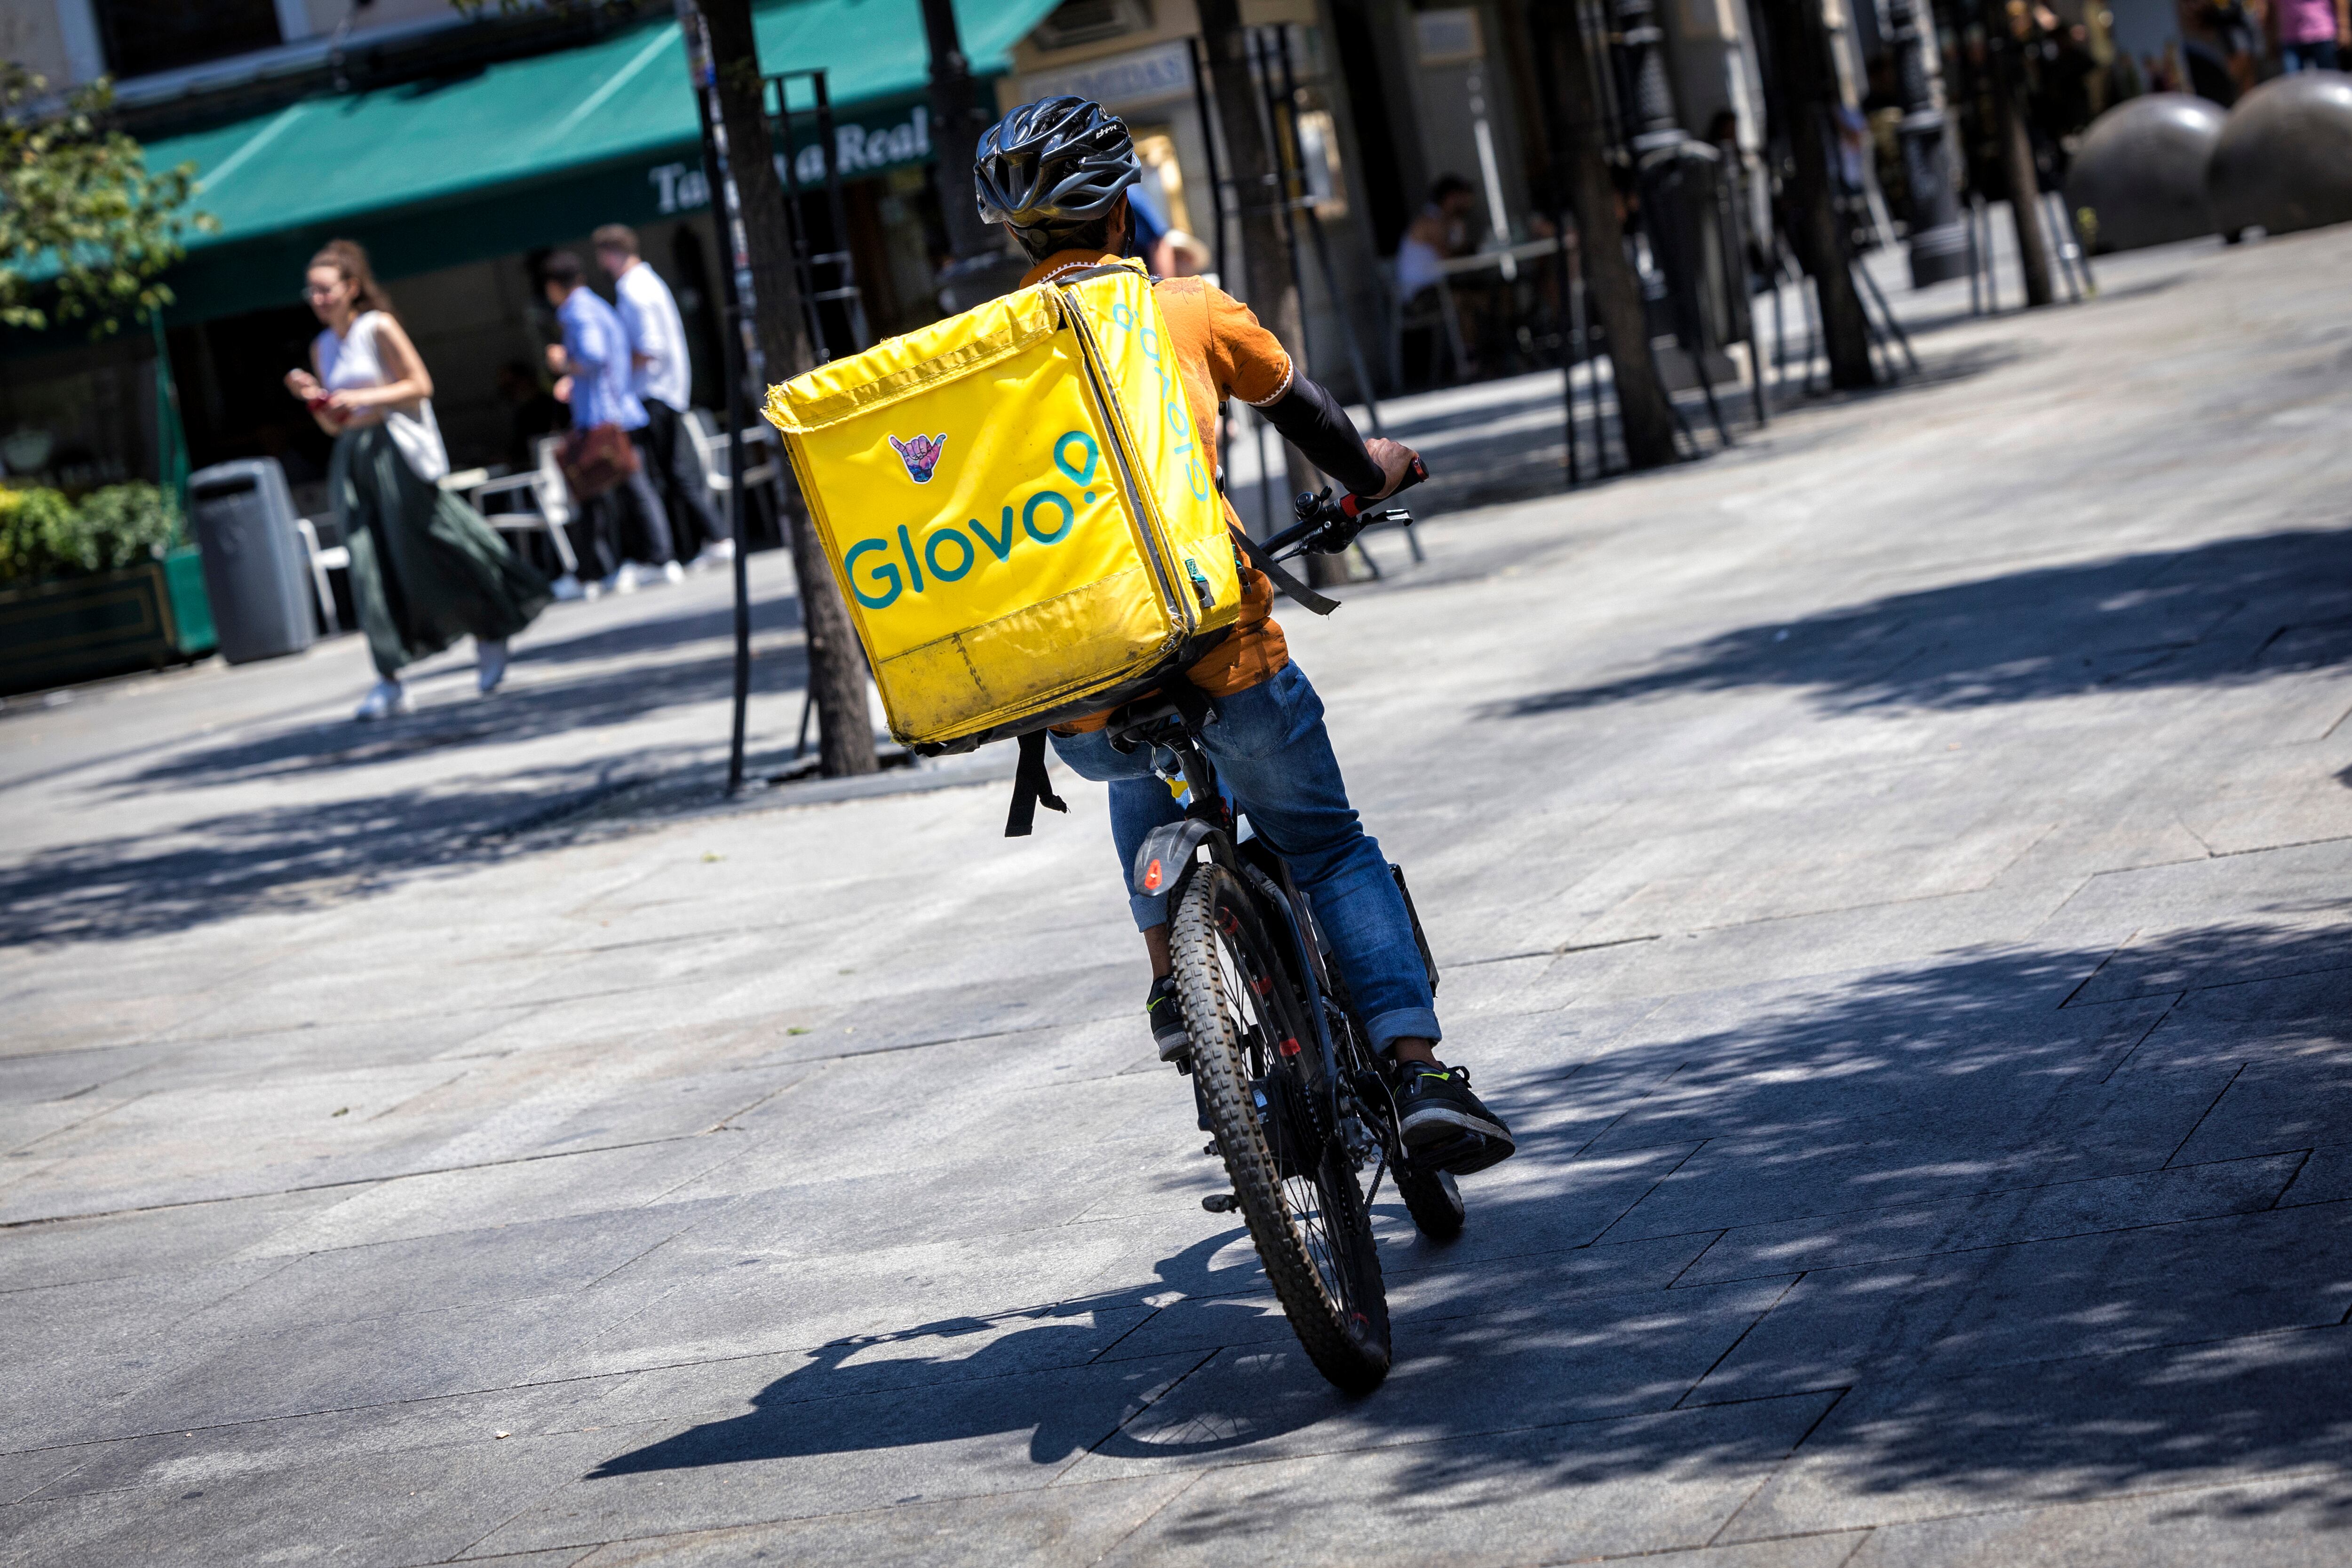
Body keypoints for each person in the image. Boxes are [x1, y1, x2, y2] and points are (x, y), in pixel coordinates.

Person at [972, 97, 1515, 1173]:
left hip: (1081, 694)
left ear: (1017, 241)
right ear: (1124, 216)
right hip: (1224, 652)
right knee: (1325, 845)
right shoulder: (1189, 311)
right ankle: (1416, 1074)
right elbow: (1315, 420)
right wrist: (1375, 475)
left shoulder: (982, 357)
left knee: (1136, 761)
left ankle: (1176, 989)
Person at [285, 240, 548, 721]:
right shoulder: (322, 347)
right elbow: (334, 424)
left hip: (396, 449)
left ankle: (491, 625)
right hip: (353, 456)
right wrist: (317, 401)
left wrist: (364, 395)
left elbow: (420, 385)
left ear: (351, 288)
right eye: (312, 292)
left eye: (325, 290)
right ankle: (389, 678)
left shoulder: (376, 327)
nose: (318, 300)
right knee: (368, 566)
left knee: (439, 541)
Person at [593, 225, 733, 573]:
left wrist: (617, 367)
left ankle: (696, 544)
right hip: (665, 390)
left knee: (667, 472)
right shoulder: (648, 282)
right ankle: (712, 538)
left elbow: (649, 348)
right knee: (673, 471)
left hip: (653, 392)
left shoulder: (634, 289)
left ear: (610, 253)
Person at [541, 251, 678, 594]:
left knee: (605, 490)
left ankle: (630, 565)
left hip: (602, 416)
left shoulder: (577, 312)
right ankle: (618, 567)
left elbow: (591, 355)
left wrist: (563, 362)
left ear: (554, 286)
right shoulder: (596, 304)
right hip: (618, 410)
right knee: (614, 490)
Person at [1394, 173, 1475, 305]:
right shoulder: (1431, 222)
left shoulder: (1447, 221)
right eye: (1463, 197)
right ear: (1450, 198)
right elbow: (1449, 257)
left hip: (1438, 286)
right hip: (1420, 292)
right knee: (1471, 298)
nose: (1468, 202)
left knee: (1492, 290)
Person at [2271, 0, 2347, 70]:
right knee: (2292, 82)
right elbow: (2271, 8)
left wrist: (2344, 28)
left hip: (2322, 34)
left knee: (2329, 78)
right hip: (2290, 38)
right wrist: (2272, 39)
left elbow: (2341, 2)